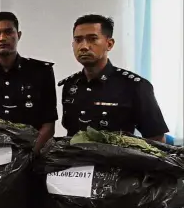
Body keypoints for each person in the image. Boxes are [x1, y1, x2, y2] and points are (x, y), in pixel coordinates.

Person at [59, 14, 168, 142]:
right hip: (74, 160)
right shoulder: (71, 85)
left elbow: (156, 138)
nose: (83, 46)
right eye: (78, 40)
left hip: (117, 161)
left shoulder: (134, 86)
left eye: (92, 39)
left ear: (109, 44)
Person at [0, 12, 58, 153]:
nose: (2, 38)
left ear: (18, 35)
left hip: (32, 158)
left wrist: (29, 156)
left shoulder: (41, 73)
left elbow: (48, 124)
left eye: (8, 32)